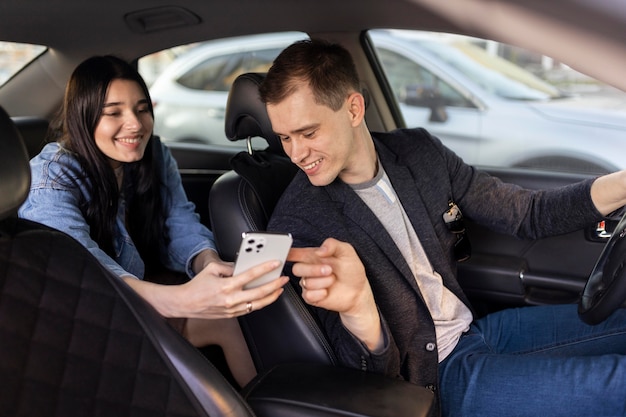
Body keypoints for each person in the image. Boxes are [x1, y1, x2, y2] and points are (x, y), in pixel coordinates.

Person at [260, 39, 626, 416]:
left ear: (353, 108)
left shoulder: (418, 152)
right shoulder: (298, 225)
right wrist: (360, 311)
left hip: (476, 330)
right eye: (285, 137)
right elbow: (361, 382)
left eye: (307, 133)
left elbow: (527, 212)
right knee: (618, 384)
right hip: (435, 375)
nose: (295, 154)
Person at [18, 55, 289, 388]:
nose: (135, 124)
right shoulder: (51, 175)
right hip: (87, 319)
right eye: (113, 113)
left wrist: (209, 263)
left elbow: (179, 220)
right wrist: (181, 299)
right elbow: (80, 265)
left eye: (142, 109)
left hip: (137, 302)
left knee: (235, 315)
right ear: (83, 117)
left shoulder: (154, 154)